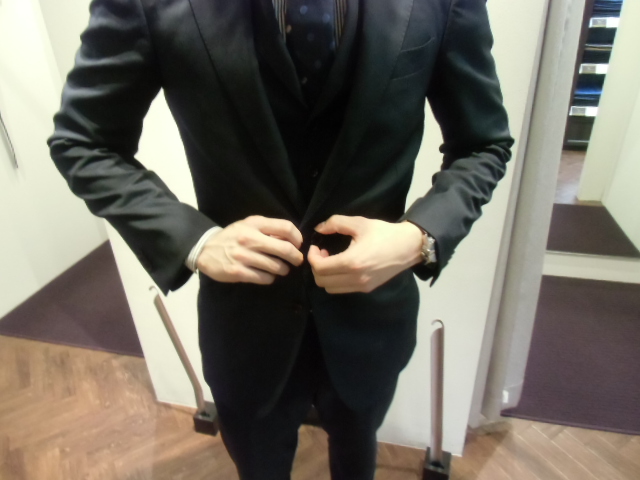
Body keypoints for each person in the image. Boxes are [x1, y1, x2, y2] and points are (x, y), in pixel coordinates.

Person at [48, 0, 515, 478]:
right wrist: (196, 241)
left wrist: (418, 238)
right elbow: (83, 141)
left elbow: (483, 144)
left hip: (371, 324)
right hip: (245, 329)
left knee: (359, 456)